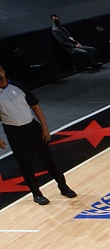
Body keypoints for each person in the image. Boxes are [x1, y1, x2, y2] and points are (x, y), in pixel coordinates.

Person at [0, 64, 75, 205]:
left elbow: (35, 107)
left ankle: (63, 187)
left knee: (49, 158)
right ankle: (36, 193)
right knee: (26, 164)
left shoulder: (18, 86)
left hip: (32, 128)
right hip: (14, 133)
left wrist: (45, 128)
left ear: (3, 71)